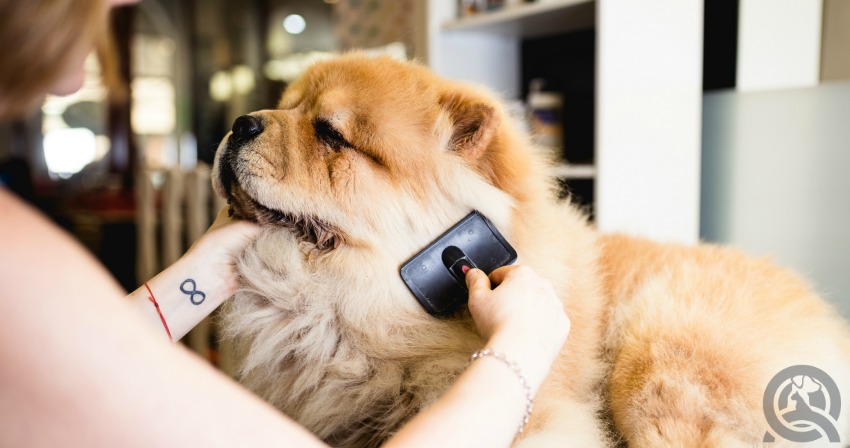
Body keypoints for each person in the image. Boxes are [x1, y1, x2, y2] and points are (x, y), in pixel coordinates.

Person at [0, 0, 571, 447]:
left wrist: (203, 275)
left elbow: (86, 355)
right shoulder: (22, 268)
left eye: (328, 135)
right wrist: (520, 350)